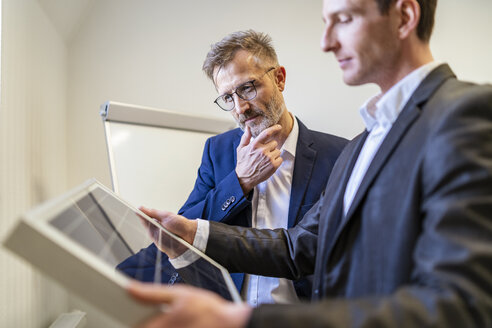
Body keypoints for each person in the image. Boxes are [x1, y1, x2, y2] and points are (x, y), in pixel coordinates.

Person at [128, 0, 492, 327]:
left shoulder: (465, 113)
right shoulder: (361, 146)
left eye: (344, 19)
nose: (326, 42)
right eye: (325, 22)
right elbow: (296, 248)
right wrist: (195, 234)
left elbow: (462, 305)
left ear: (404, 16)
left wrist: (244, 321)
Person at [118, 30, 347, 305]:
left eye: (248, 87)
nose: (240, 108)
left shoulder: (338, 155)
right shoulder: (217, 151)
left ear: (280, 78)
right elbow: (187, 225)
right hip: (230, 315)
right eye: (227, 98)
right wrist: (239, 182)